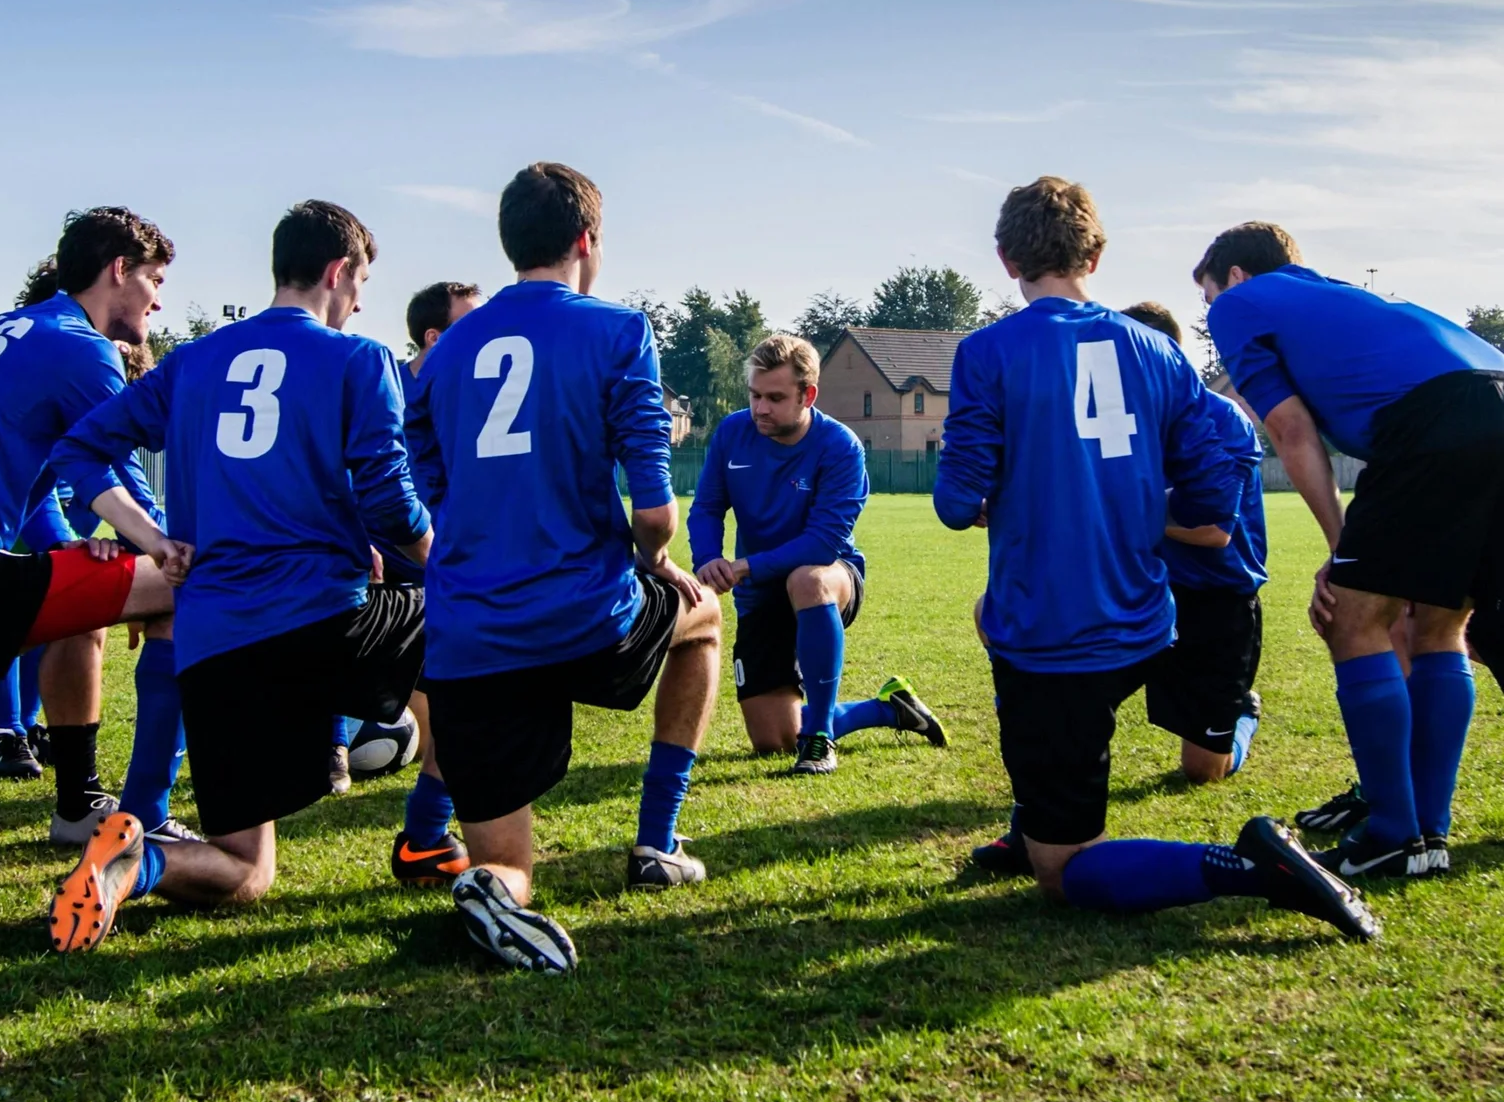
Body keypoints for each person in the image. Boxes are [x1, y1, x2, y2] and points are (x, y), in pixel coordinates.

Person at [934, 177, 1376, 942]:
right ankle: (1037, 809)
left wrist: (992, 495)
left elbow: (954, 499)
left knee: (1063, 871)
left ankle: (1247, 866)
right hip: (1148, 618)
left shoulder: (987, 351)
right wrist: (1150, 507)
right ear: (1096, 254)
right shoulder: (1157, 353)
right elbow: (1220, 467)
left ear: (1006, 259)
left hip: (1054, 634)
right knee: (1009, 649)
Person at [45, 200, 437, 952]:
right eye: (360, 282)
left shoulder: (194, 361)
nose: (360, 301)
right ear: (336, 271)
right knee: (469, 637)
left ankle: (137, 862)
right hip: (322, 623)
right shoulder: (359, 360)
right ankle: (433, 834)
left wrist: (152, 539)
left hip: (214, 643)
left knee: (246, 868)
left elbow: (78, 450)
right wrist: (451, 560)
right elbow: (391, 498)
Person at [413, 162, 722, 974]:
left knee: (510, 863)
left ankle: (490, 889)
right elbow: (655, 513)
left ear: (510, 242)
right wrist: (654, 561)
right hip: (585, 617)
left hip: (471, 637)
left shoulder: (441, 356)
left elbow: (427, 496)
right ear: (587, 241)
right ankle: (657, 841)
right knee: (705, 621)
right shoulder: (619, 331)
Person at [1197, 222, 1504, 879]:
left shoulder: (1239, 303)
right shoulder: (1336, 299)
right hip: (1492, 396)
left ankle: (1395, 832)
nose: (1211, 312)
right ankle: (1427, 833)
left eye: (1208, 295)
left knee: (1354, 618)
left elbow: (1291, 430)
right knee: (1442, 625)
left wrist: (1342, 550)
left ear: (1235, 277)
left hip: (1436, 419)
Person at [0, 207, 184, 883]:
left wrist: (70, 545)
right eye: (154, 277)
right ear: (119, 269)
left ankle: (79, 801)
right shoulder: (81, 348)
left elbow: (4, 470)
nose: (159, 296)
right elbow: (110, 470)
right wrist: (162, 548)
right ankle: (130, 810)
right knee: (186, 584)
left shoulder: (11, 327)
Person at [688, 332, 947, 774]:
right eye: (754, 395)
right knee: (773, 740)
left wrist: (745, 566)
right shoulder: (733, 432)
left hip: (831, 579)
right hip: (759, 593)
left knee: (806, 578)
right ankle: (888, 708)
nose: (760, 408)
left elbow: (823, 542)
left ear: (808, 395)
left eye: (774, 397)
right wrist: (708, 558)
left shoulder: (840, 447)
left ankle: (821, 738)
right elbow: (708, 507)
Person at [1120, 301, 1265, 784]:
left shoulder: (1218, 421)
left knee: (1203, 772)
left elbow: (1213, 533)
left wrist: (1126, 518)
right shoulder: (1119, 419)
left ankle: (1243, 715)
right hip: (1145, 588)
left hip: (1215, 596)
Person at [384, 280, 483, 880]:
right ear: (435, 337)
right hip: (384, 570)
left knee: (455, 706)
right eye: (470, 324)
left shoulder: (473, 389)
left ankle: (423, 834)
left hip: (443, 570)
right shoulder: (384, 381)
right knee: (471, 696)